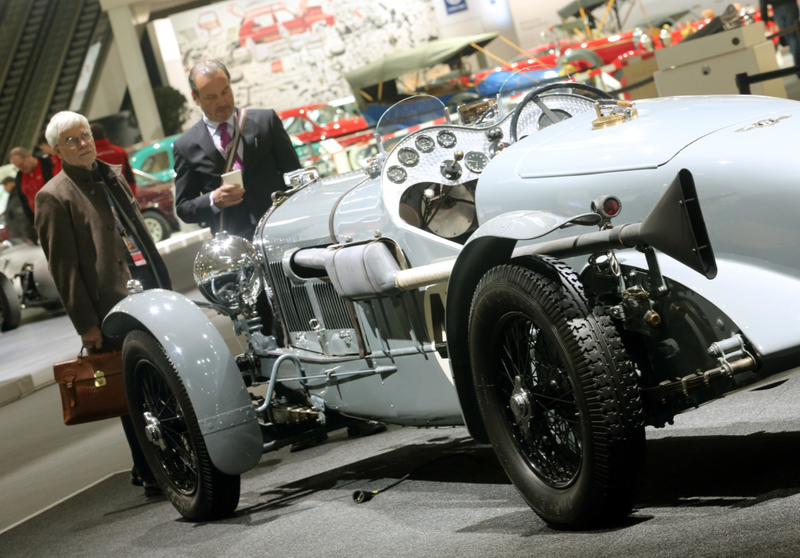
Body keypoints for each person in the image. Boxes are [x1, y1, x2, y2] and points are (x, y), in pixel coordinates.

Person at [34, 111, 172, 495]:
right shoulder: (53, 196)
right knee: (130, 387)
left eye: (85, 135)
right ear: (58, 151)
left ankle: (173, 452)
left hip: (148, 284)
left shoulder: (111, 173)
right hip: (110, 303)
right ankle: (148, 469)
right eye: (72, 140)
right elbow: (64, 269)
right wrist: (86, 325)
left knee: (163, 374)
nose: (83, 143)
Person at [173, 59, 302, 239]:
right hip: (234, 244)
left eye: (225, 91)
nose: (222, 101)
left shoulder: (266, 122)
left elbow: (295, 176)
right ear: (196, 98)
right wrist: (213, 200)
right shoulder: (185, 146)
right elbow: (184, 208)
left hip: (282, 229)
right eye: (211, 97)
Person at [9, 147, 55, 230]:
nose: (21, 169)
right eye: (17, 167)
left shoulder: (48, 165)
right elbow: (24, 201)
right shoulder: (19, 177)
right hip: (41, 220)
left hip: (57, 214)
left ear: (28, 156)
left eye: (21, 165)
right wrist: (33, 222)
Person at [90, 123, 137, 195]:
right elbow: (129, 175)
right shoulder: (120, 151)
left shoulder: (90, 156)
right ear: (104, 134)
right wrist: (132, 193)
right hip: (125, 191)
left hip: (105, 196)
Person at [761, 0, 800, 67]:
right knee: (793, 37)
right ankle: (797, 65)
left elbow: (762, 1)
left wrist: (764, 18)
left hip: (778, 9)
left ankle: (797, 65)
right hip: (789, 5)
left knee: (791, 38)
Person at [2, 176, 37, 242]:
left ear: (13, 183)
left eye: (6, 185)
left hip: (24, 237)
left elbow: (22, 218)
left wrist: (26, 238)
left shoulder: (17, 195)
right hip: (21, 237)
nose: (5, 188)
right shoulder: (13, 196)